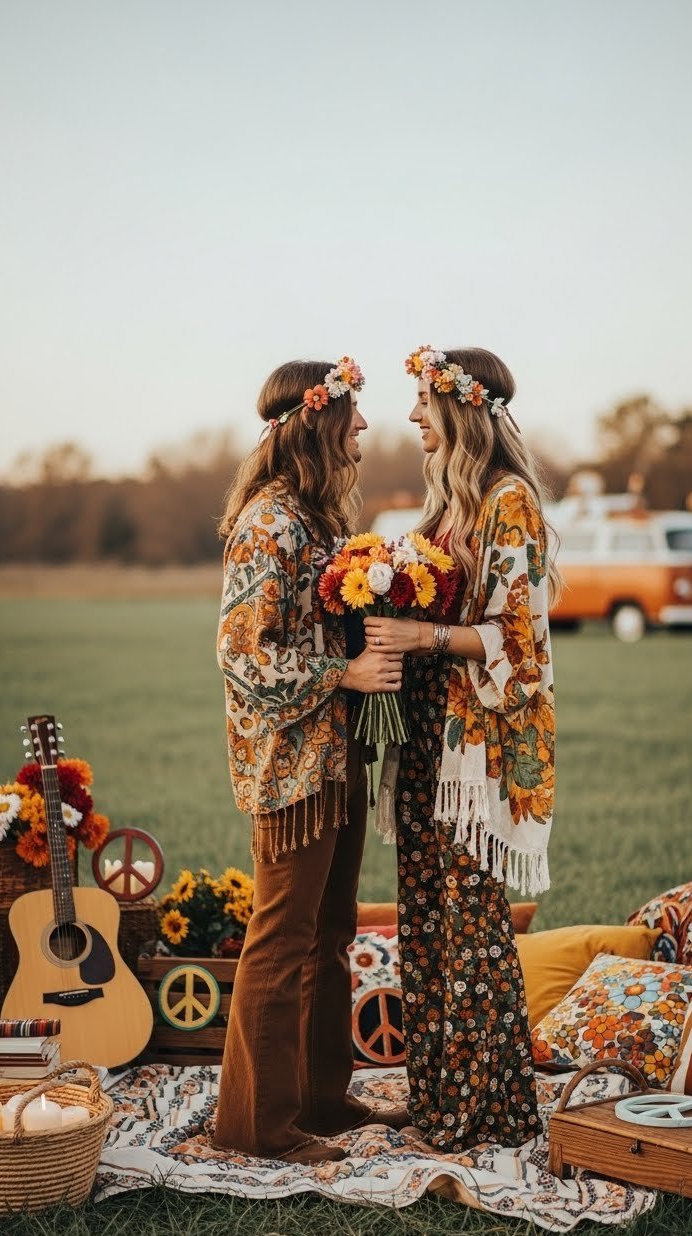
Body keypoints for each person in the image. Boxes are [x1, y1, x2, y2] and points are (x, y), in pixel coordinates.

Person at [214, 356, 408, 1164]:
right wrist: (344, 671)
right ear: (318, 423)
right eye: (352, 414)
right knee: (281, 938)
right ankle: (255, 1126)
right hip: (290, 770)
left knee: (329, 932)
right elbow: (242, 658)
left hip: (337, 760)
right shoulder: (270, 523)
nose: (364, 426)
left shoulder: (319, 519)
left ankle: (324, 1099)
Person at [366, 346, 559, 1153]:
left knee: (472, 929)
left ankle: (491, 1109)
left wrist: (422, 633)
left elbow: (523, 642)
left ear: (461, 408)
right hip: (425, 748)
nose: (411, 417)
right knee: (426, 924)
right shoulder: (447, 504)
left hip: (475, 757)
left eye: (422, 402)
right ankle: (439, 1097)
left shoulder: (507, 501)